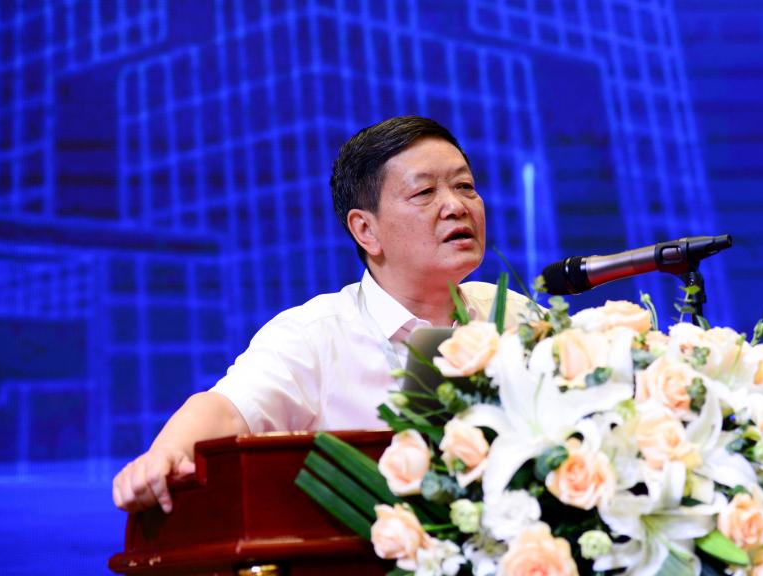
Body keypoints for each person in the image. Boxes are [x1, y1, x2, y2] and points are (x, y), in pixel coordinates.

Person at [112, 116, 531, 514]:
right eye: (424, 193)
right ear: (366, 230)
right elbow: (227, 409)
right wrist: (165, 455)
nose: (456, 206)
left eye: (465, 186)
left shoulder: (517, 316)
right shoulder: (315, 336)